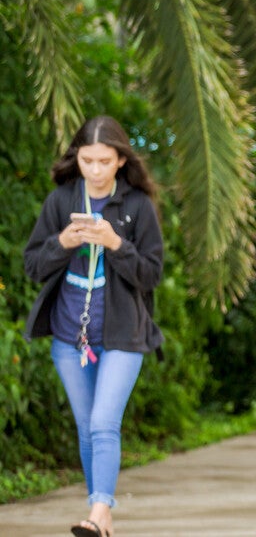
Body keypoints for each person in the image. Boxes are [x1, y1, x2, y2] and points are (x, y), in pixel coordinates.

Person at [24, 116, 166, 537]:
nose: (96, 170)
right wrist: (63, 243)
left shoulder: (137, 206)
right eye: (87, 160)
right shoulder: (60, 200)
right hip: (71, 338)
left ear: (121, 160)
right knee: (87, 428)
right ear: (78, 159)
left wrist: (116, 245)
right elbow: (33, 265)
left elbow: (152, 274)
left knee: (105, 422)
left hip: (124, 335)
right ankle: (99, 518)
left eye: (105, 161)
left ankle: (100, 511)